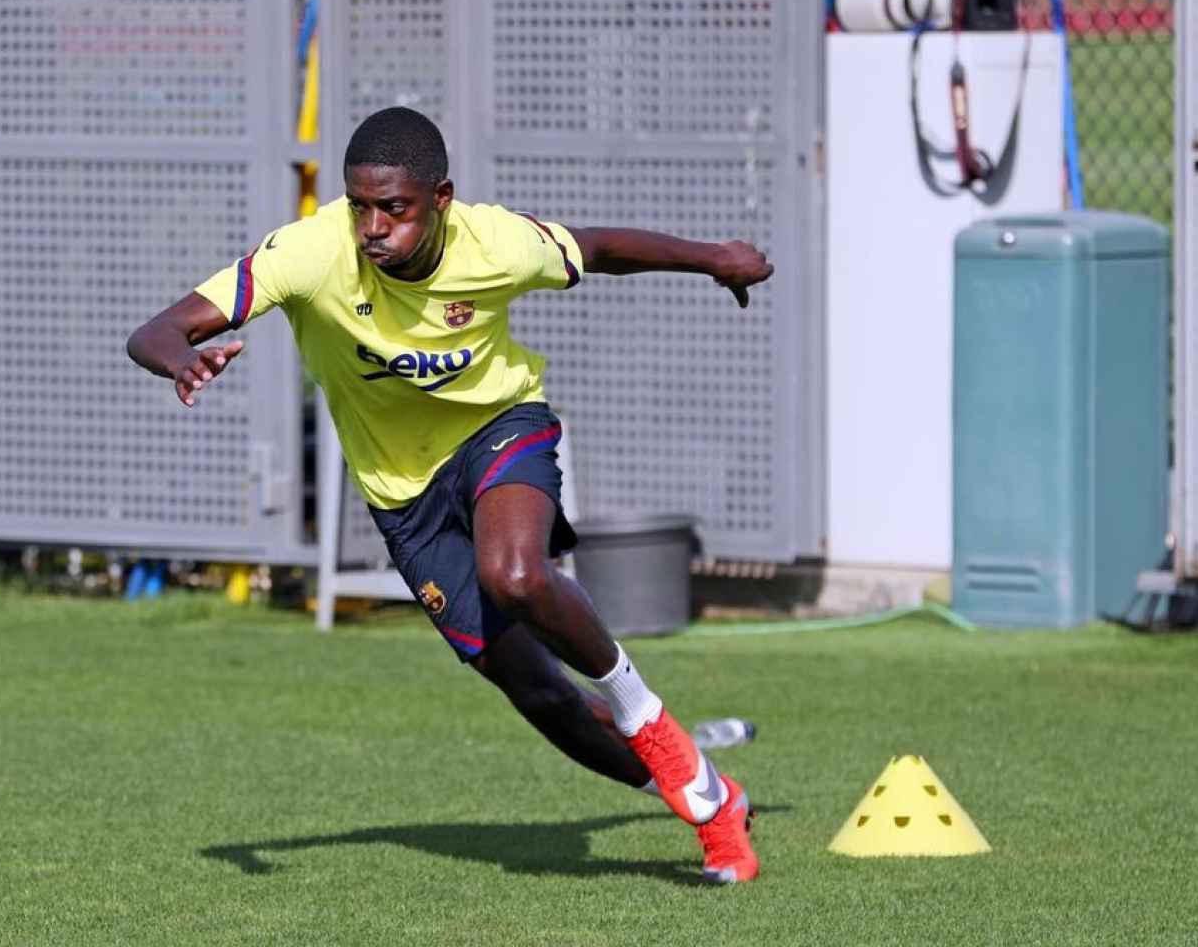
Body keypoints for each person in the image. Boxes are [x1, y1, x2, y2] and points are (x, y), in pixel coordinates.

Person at [127, 107, 774, 883]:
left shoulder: (494, 242)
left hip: (501, 428)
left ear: (441, 199)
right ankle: (708, 798)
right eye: (360, 205)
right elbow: (159, 328)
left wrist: (715, 258)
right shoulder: (307, 252)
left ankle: (650, 720)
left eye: (394, 208)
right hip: (403, 497)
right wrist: (180, 360)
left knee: (518, 575)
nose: (373, 227)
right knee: (540, 695)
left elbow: (598, 248)